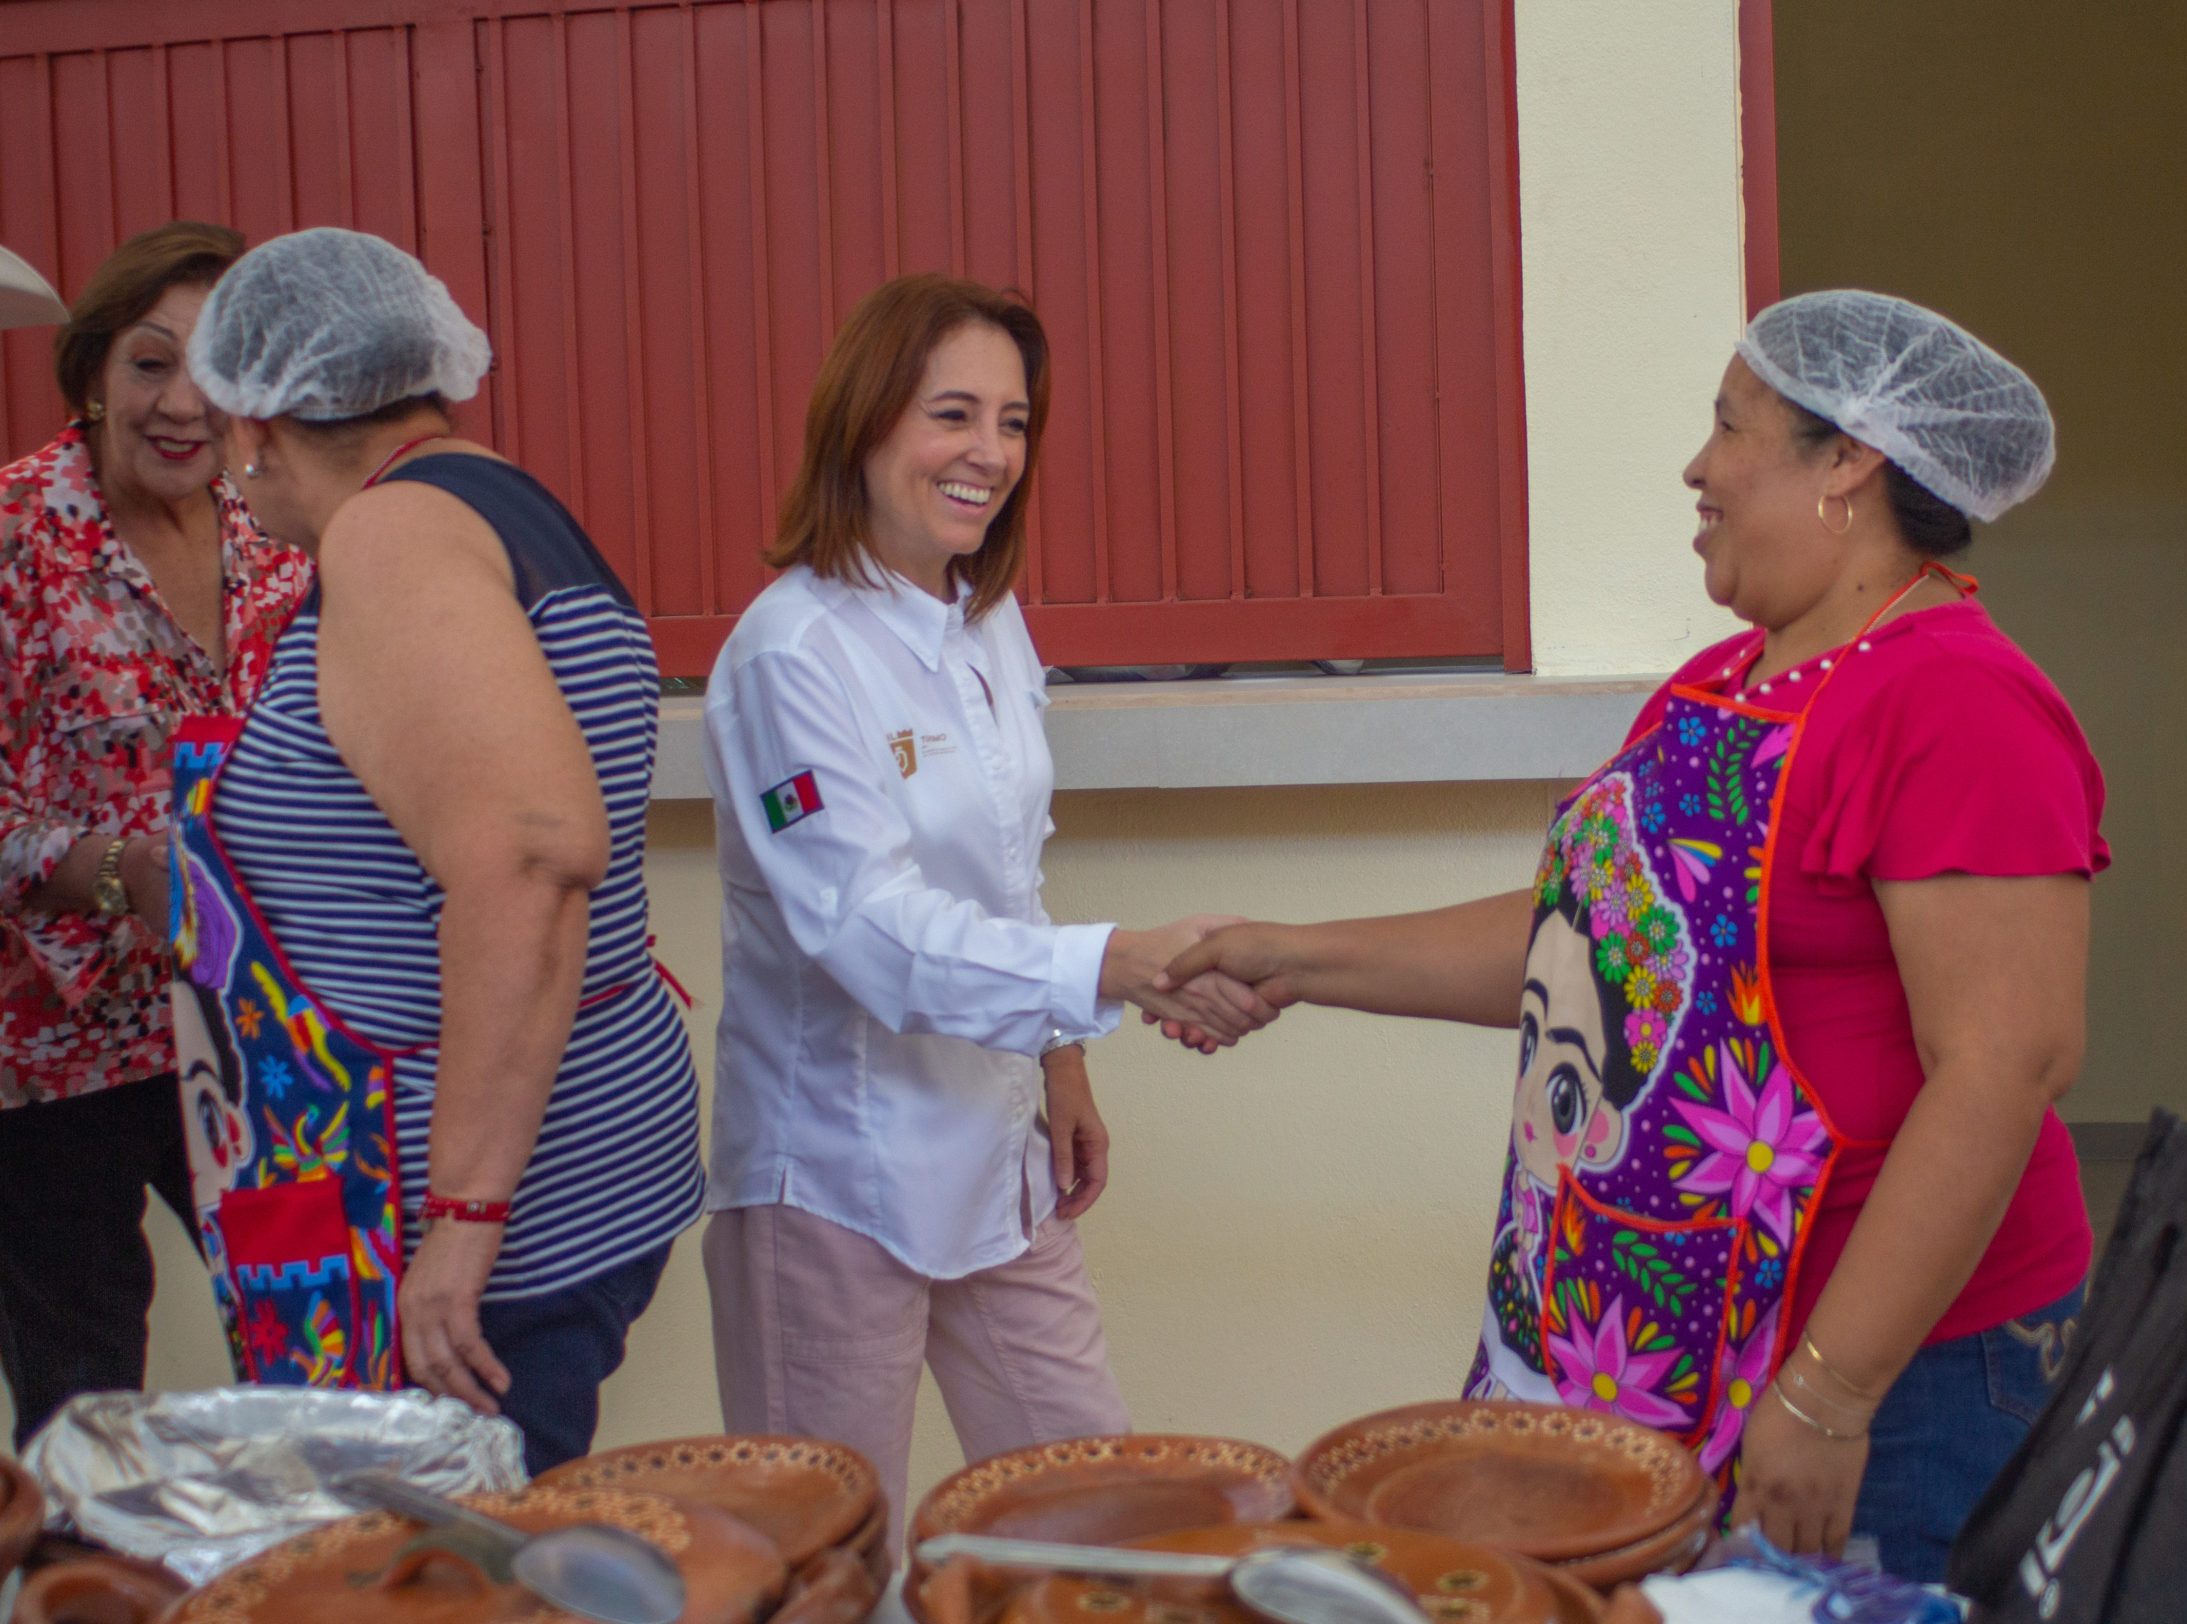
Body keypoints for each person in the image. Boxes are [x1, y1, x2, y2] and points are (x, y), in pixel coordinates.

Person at [1159, 291, 2106, 1583]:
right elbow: (1591, 951)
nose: (1696, 468)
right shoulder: (1727, 679)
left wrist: (1832, 1392)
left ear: (1851, 463)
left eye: (1730, 428)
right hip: (1679, 1351)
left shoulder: (1957, 701)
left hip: (1906, 1376)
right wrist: (1295, 956)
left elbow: (2006, 1064)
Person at [700, 273, 1274, 1534]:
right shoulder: (788, 657)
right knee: (825, 1563)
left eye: (1013, 422)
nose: (990, 454)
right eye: (952, 414)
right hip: (836, 1177)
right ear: (864, 422)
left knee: (1098, 1508)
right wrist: (1120, 964)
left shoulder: (986, 622)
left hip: (998, 1158)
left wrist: (1060, 1060)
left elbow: (1009, 872)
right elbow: (870, 932)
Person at [182, 228, 701, 1472]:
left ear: (259, 420)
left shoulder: (390, 535)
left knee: (447, 1604)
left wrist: (462, 1224)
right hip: (579, 1153)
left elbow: (529, 854)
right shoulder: (500, 502)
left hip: (464, 1214)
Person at [0, 223, 311, 1447]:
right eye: (149, 363)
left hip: (245, 1010)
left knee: (309, 1334)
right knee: (84, 1389)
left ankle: (306, 1607)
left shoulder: (270, 530)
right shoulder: (18, 532)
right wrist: (112, 872)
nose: (184, 403)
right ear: (90, 373)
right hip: (46, 1044)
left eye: (217, 368)